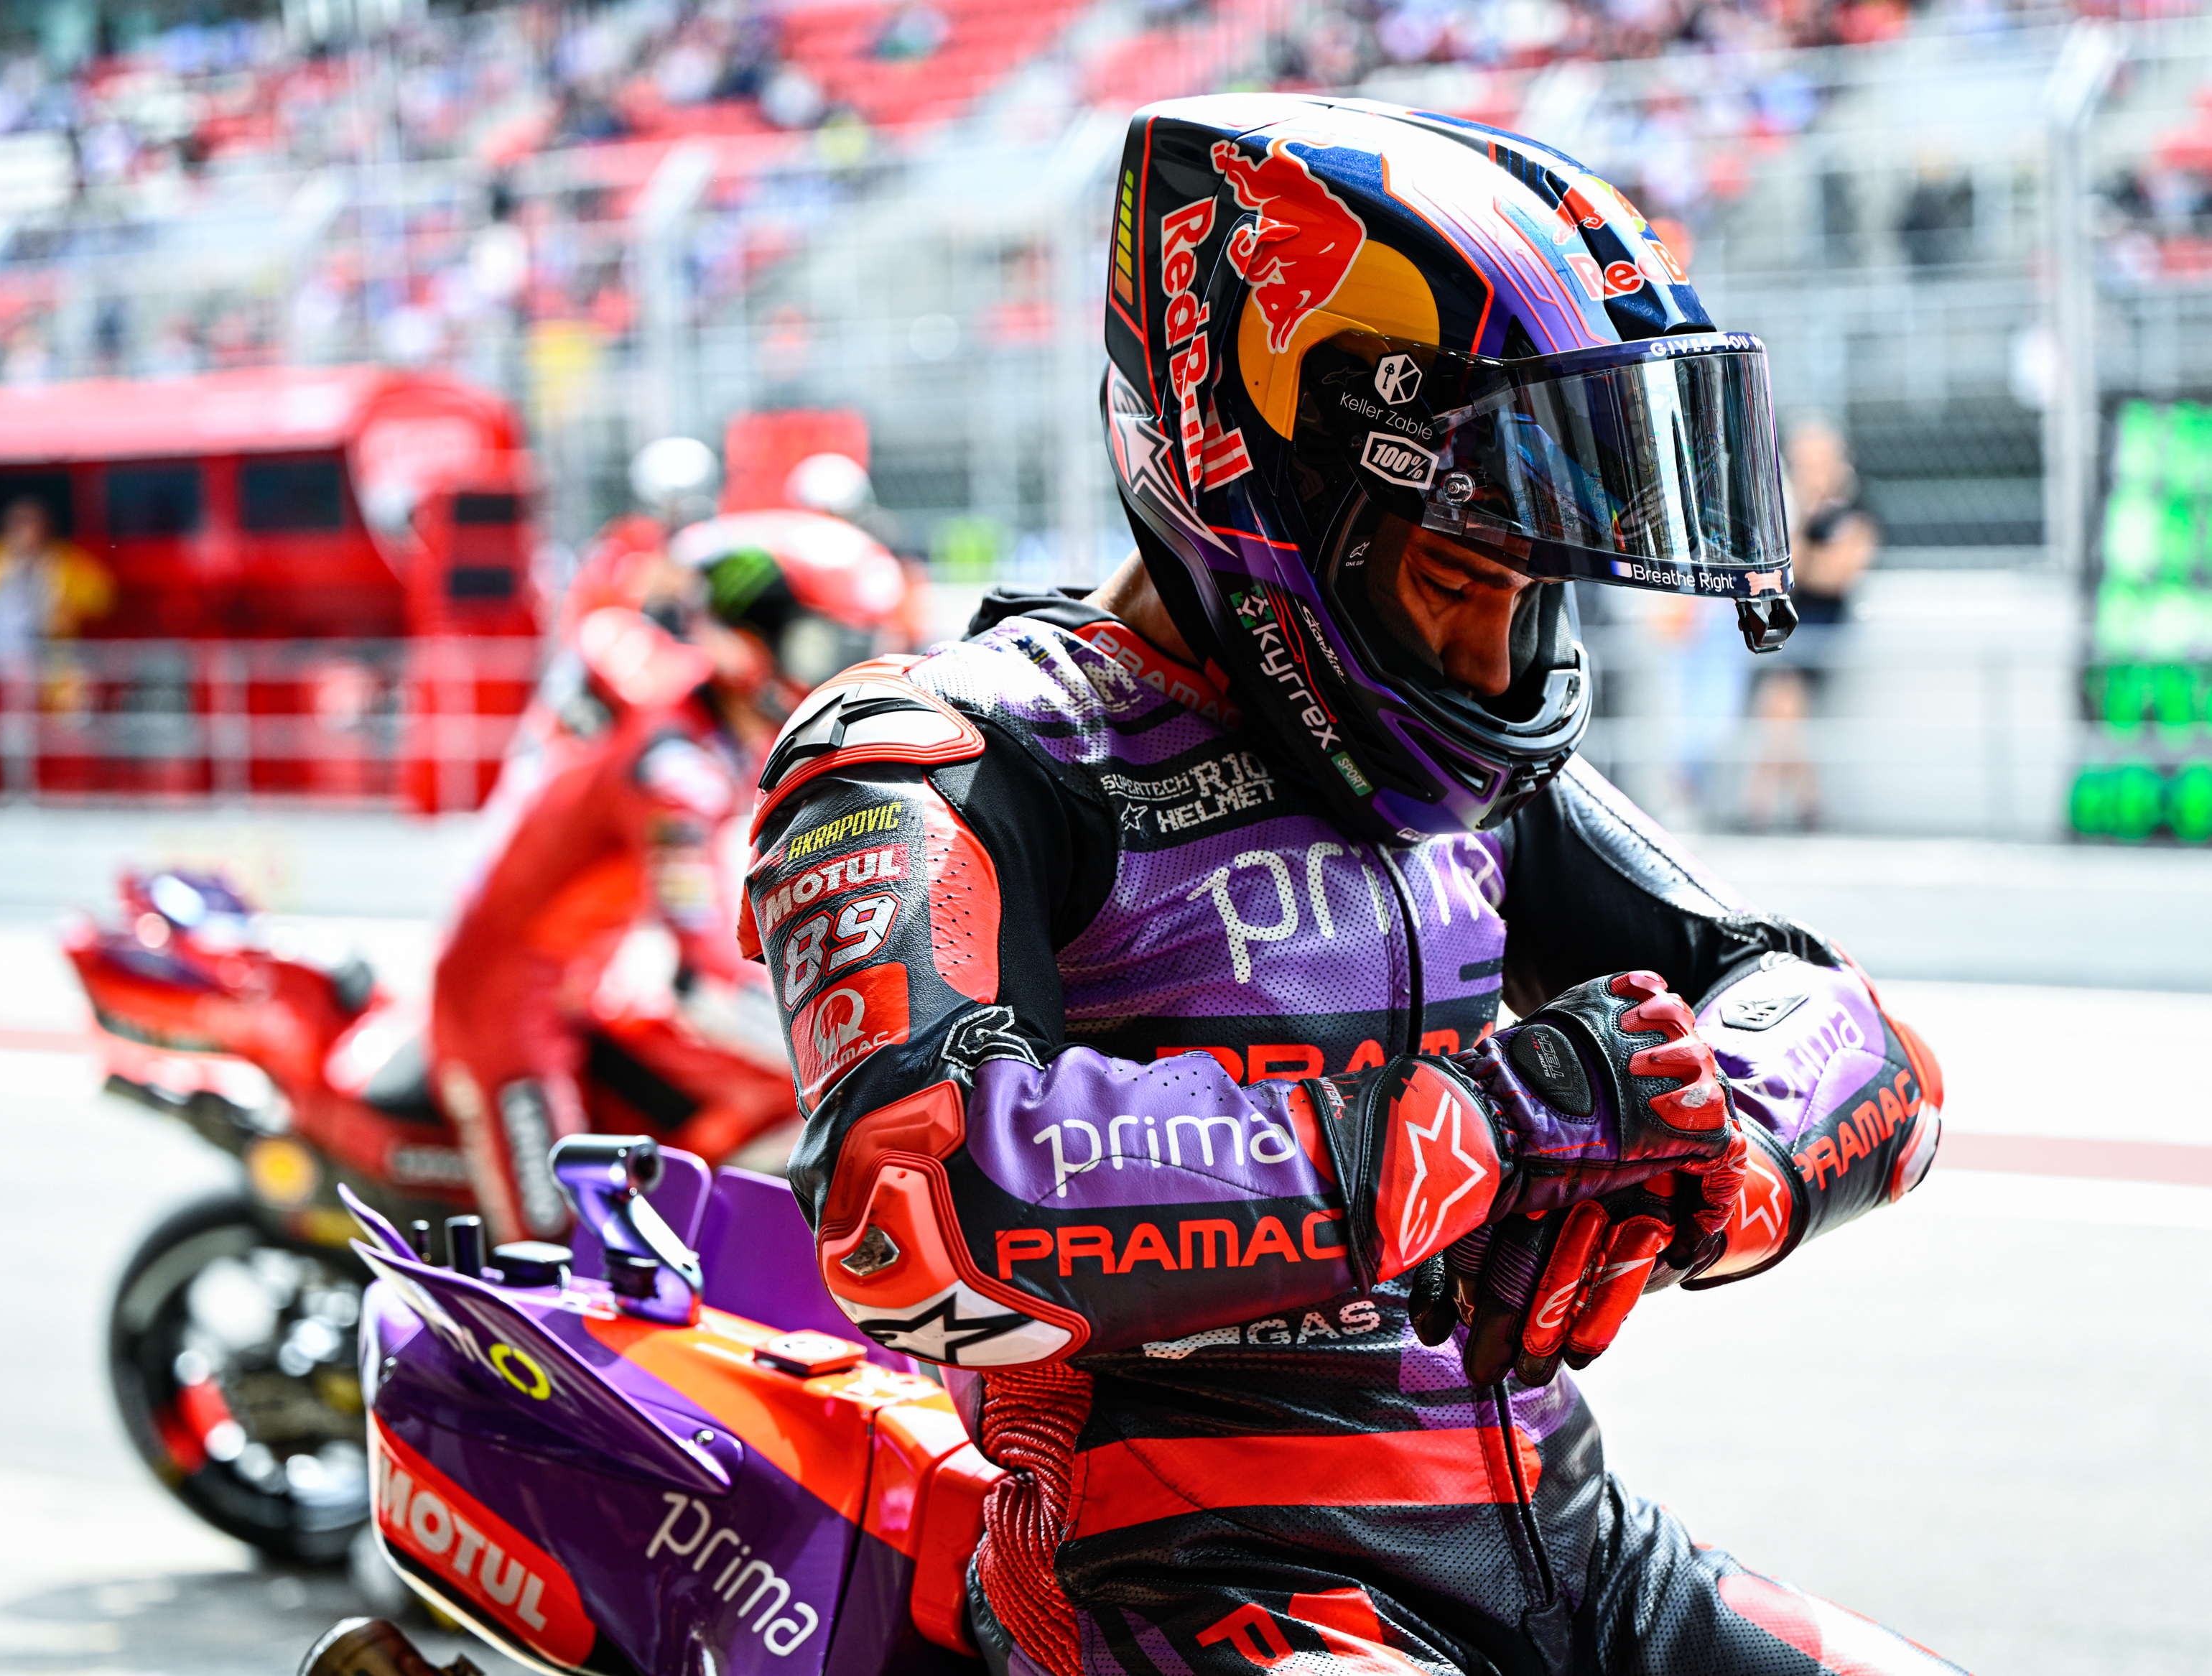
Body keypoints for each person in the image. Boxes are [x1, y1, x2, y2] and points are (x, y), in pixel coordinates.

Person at [742, 98, 1956, 1676]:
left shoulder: (1474, 764)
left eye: (1535, 592)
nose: (1496, 656)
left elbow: (1859, 1034)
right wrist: (1488, 1131)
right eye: (1462, 574)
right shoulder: (946, 758)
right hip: (1181, 1578)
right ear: (1270, 480)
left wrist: (1700, 1145)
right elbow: (920, 1209)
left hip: (1582, 1553)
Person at [429, 455, 910, 1241]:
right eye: (828, 648)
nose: (848, 674)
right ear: (754, 641)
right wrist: (852, 1053)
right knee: (560, 1267)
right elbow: (704, 983)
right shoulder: (673, 770)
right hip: (506, 1004)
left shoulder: (710, 724)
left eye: (867, 645)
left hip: (591, 980)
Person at [1744, 420, 1878, 831]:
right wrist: (1804, 519)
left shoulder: (1856, 509)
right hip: (1787, 620)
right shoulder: (1788, 512)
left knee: (1781, 700)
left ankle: (1759, 804)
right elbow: (1791, 570)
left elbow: (1839, 574)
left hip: (1824, 622)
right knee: (1783, 706)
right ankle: (1808, 805)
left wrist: (1807, 563)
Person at [0, 496, 114, 788]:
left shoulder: (62, 561)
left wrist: (70, 604)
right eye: (22, 527)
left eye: (35, 527)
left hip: (48, 654)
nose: (29, 535)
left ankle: (54, 773)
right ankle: (1, 767)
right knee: (11, 718)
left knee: (78, 684)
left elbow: (102, 595)